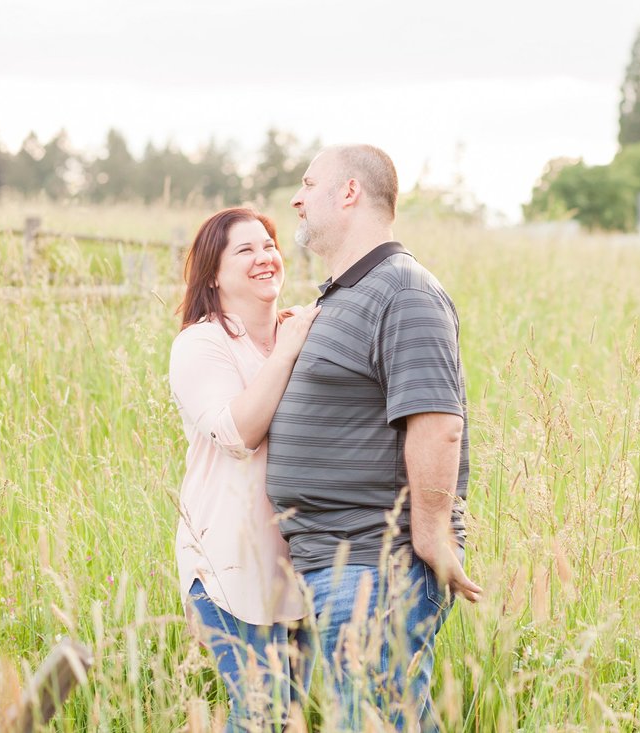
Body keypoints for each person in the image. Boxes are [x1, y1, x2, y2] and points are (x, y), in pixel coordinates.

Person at [266, 144, 482, 730]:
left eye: (309, 183)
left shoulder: (404, 291)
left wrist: (433, 533)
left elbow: (437, 421)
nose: (296, 197)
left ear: (350, 192)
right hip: (330, 559)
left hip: (374, 563)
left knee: (378, 719)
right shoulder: (343, 293)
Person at [169, 207, 319, 731]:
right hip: (229, 559)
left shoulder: (296, 330)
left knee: (292, 713)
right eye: (245, 250)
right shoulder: (201, 344)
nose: (264, 258)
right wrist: (290, 349)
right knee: (261, 714)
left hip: (299, 557)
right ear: (213, 272)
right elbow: (238, 433)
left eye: (269, 246)